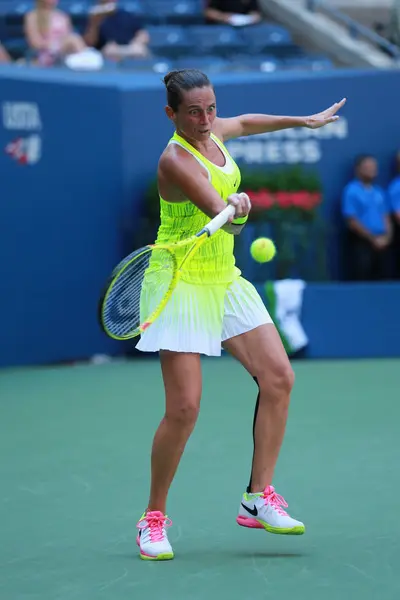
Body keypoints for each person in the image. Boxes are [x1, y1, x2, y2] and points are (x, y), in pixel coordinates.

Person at [135, 69, 346, 561]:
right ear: (171, 115)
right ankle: (153, 518)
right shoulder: (175, 159)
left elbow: (246, 122)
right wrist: (239, 209)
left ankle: (257, 497)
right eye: (194, 112)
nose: (207, 120)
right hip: (178, 281)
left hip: (223, 277)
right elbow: (223, 218)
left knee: (279, 378)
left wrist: (303, 120)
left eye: (211, 108)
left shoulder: (214, 129)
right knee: (184, 409)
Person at [341, 155, 392, 281]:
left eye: (374, 167)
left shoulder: (379, 191)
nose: (372, 170)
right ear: (358, 169)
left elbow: (386, 216)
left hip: (383, 242)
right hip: (362, 242)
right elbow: (351, 220)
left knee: (385, 278)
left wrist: (387, 237)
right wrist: (372, 239)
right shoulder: (351, 191)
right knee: (363, 277)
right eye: (368, 167)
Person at [24, 0, 86, 66]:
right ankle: (85, 58)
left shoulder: (63, 16)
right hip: (45, 54)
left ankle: (84, 58)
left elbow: (68, 35)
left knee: (74, 39)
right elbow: (35, 43)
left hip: (64, 53)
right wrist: (54, 45)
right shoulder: (33, 16)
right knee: (73, 40)